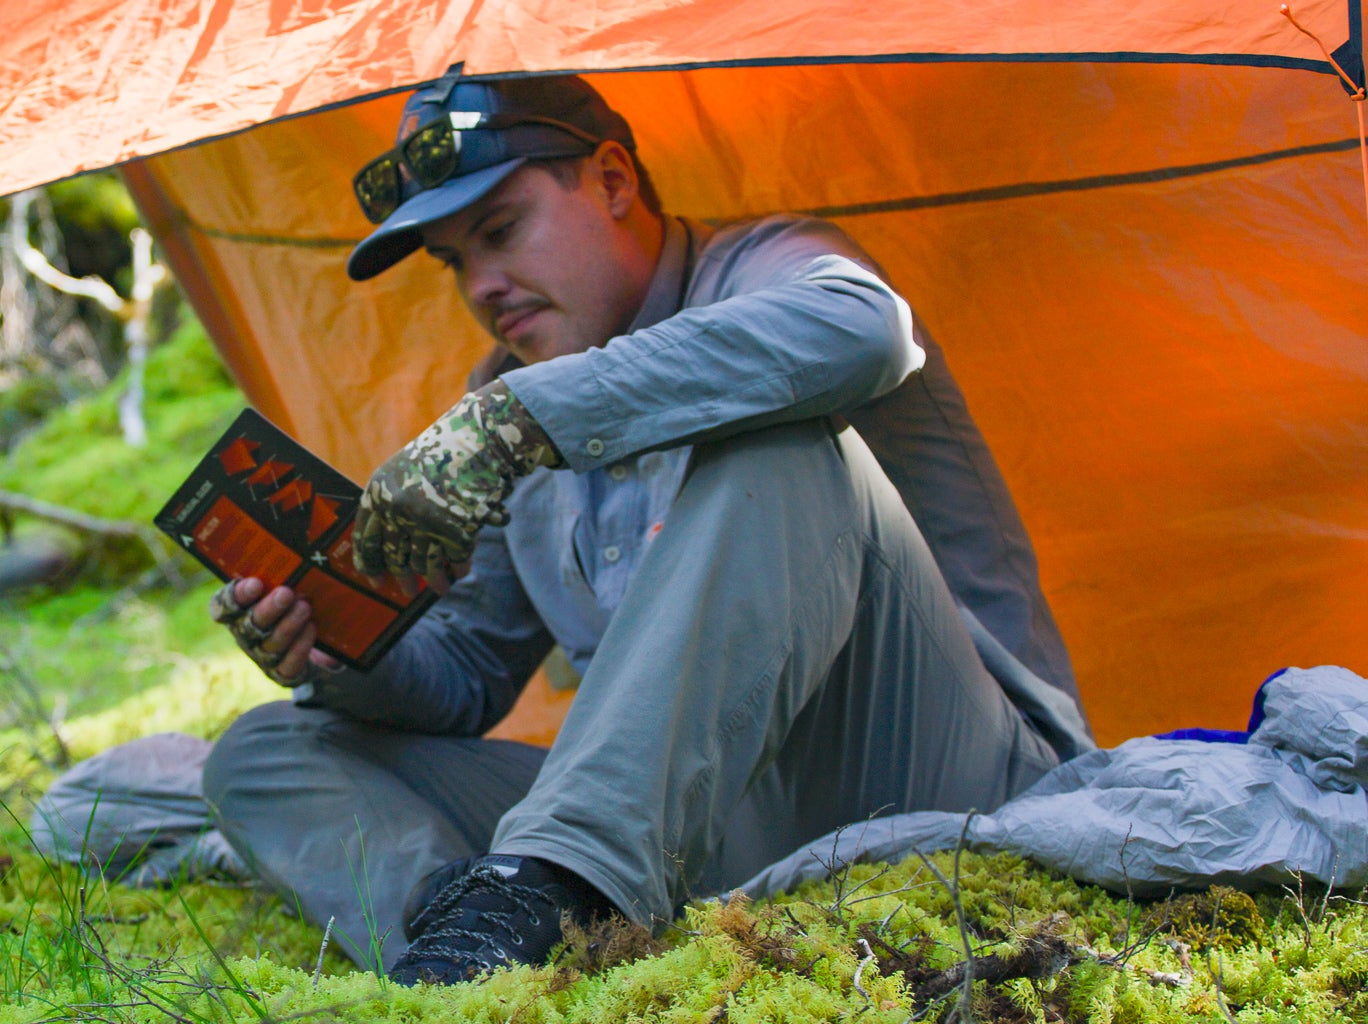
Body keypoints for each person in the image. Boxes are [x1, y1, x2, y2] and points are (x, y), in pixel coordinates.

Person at [199, 71, 1094, 984]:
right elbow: (469, 673)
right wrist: (339, 650)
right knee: (266, 754)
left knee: (772, 443)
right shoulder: (505, 388)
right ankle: (487, 967)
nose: (482, 285)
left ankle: (555, 897)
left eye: (500, 232)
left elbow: (865, 330)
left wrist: (517, 422)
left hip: (945, 777)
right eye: (454, 260)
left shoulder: (764, 269)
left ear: (614, 180)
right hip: (699, 828)